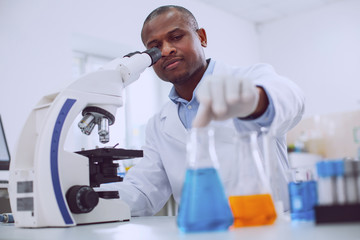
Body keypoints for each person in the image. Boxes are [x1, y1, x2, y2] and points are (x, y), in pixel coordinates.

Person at [108, 5, 304, 216]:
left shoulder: (251, 78)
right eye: (154, 47)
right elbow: (142, 191)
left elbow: (291, 98)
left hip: (267, 228)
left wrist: (255, 100)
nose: (166, 51)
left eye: (176, 37)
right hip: (202, 231)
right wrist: (92, 200)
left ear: (202, 37)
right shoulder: (158, 125)